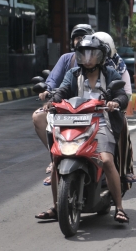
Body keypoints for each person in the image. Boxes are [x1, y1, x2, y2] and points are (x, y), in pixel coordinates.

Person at [42, 35, 130, 223]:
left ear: (101, 56)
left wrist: (116, 102)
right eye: (84, 54)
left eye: (92, 54)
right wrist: (52, 102)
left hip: (102, 122)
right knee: (58, 161)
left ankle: (120, 208)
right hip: (74, 122)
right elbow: (63, 90)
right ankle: (57, 207)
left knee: (106, 160)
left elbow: (122, 95)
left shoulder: (110, 74)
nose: (88, 59)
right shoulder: (73, 74)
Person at [33, 24, 94, 193]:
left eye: (84, 38)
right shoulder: (67, 60)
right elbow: (55, 81)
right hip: (65, 110)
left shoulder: (100, 62)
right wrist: (48, 92)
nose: (80, 41)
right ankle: (56, 158)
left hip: (92, 111)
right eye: (77, 38)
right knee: (38, 117)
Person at [93, 31, 136, 183]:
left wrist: (118, 103)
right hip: (85, 108)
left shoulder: (116, 66)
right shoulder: (81, 66)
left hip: (110, 108)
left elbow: (126, 91)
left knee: (122, 125)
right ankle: (55, 164)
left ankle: (125, 169)